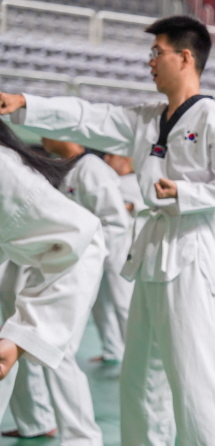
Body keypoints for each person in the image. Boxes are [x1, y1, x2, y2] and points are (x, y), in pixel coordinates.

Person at [0, 15, 215, 445]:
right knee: (140, 381)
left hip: (190, 251)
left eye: (157, 53)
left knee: (194, 384)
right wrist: (25, 103)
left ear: (186, 57)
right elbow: (87, 117)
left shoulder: (213, 116)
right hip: (151, 255)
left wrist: (184, 193)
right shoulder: (147, 119)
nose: (150, 62)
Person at [0, 121, 104, 438]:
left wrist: (28, 333)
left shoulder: (91, 169)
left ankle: (80, 437)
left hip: (60, 260)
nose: (43, 138)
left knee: (57, 355)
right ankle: (37, 422)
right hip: (27, 260)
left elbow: (84, 234)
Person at [42, 139, 132, 365]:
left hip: (112, 250)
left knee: (123, 304)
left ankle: (136, 358)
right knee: (101, 307)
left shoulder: (91, 167)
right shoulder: (68, 167)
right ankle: (112, 350)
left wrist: (89, 253)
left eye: (47, 133)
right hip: (87, 254)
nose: (43, 140)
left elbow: (116, 221)